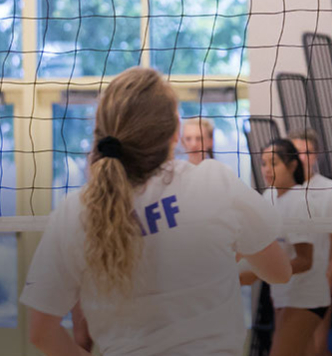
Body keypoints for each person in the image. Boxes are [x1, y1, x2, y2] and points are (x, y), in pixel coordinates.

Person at [21, 67, 291, 356]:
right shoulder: (214, 182)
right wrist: (222, 256)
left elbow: (41, 332)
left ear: (102, 132)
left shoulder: (74, 212)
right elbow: (279, 272)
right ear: (176, 132)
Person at [256, 139, 332, 356]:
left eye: (273, 163)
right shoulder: (268, 196)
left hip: (305, 297)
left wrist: (260, 271)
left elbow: (305, 260)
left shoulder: (300, 201)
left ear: (291, 166)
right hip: (282, 294)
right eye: (263, 163)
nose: (267, 170)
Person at [286, 128, 332, 356]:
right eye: (296, 152)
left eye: (307, 152)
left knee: (318, 347)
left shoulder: (330, 189)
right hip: (286, 282)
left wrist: (328, 278)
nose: (302, 157)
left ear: (316, 155)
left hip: (317, 279)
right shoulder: (279, 190)